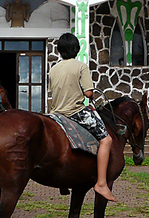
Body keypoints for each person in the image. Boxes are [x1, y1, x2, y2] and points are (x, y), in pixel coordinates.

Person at [48, 32, 116, 202]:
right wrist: (89, 95)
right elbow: (88, 92)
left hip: (55, 113)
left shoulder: (54, 69)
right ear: (76, 49)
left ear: (59, 50)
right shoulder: (81, 66)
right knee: (106, 140)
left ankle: (63, 181)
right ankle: (101, 183)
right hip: (75, 112)